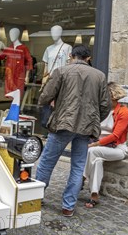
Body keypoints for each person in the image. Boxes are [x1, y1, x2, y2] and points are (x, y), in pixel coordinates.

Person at [35, 44, 111, 217]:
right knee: (77, 167)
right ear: (88, 58)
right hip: (85, 127)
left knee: (47, 162)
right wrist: (94, 119)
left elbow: (45, 96)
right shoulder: (99, 75)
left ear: (71, 55)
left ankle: (36, 197)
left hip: (63, 123)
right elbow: (105, 105)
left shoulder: (62, 71)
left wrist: (51, 103)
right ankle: (68, 206)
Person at [83, 82, 128, 208]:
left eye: (105, 95)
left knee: (92, 152)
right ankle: (94, 195)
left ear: (113, 96)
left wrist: (95, 144)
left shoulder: (124, 112)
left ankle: (81, 179)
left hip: (117, 148)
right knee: (97, 161)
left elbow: (115, 136)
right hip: (99, 147)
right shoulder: (101, 110)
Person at [0, 27, 33, 96]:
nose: (11, 36)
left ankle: (16, 106)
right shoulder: (9, 48)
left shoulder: (23, 48)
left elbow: (29, 61)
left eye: (13, 34)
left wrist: (27, 76)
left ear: (18, 35)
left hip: (20, 75)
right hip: (9, 75)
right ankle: (12, 106)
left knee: (18, 94)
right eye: (10, 34)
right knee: (10, 93)